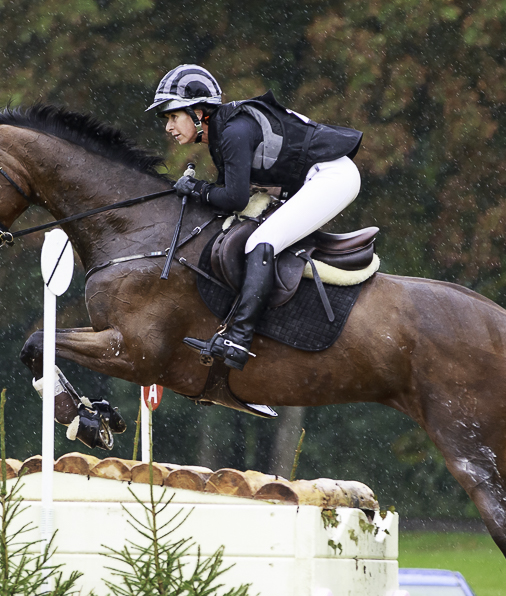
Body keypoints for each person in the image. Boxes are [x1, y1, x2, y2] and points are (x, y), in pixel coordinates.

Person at [148, 64, 364, 371]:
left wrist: (196, 187)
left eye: (173, 116)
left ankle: (239, 338)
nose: (168, 127)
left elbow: (234, 198)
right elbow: (229, 204)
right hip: (315, 178)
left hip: (333, 176)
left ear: (199, 113)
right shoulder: (223, 134)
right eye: (167, 119)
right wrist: (200, 192)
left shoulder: (234, 131)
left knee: (262, 241)